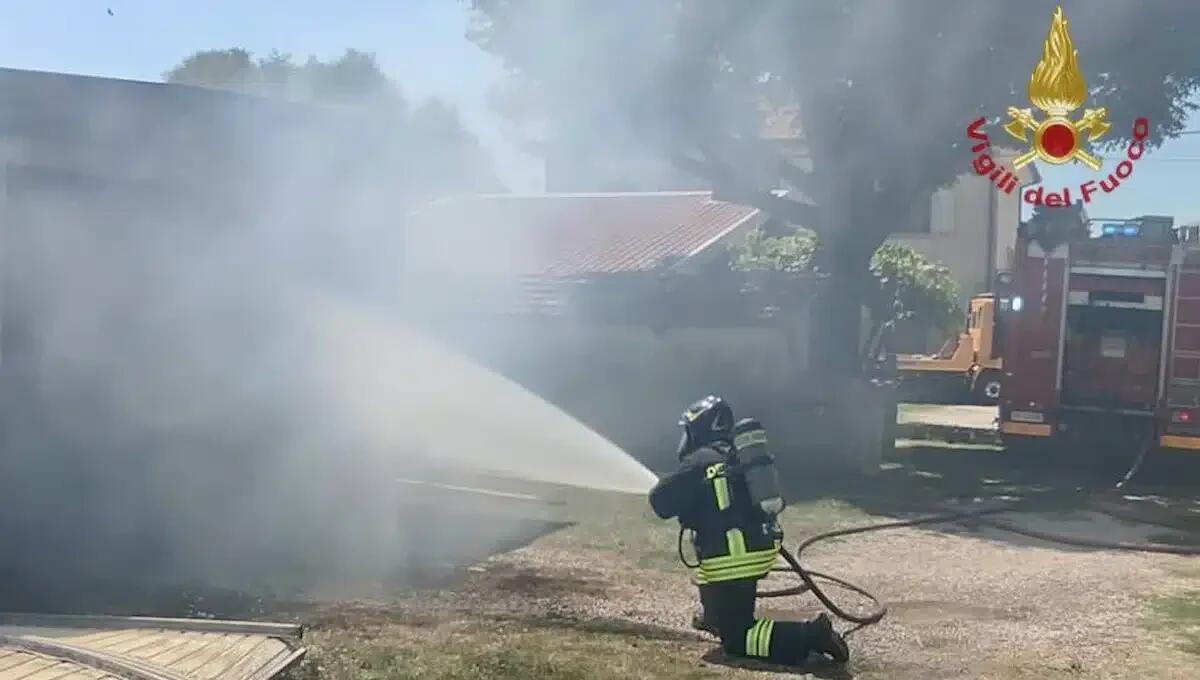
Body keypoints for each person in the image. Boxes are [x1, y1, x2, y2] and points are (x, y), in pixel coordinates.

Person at [649, 395, 850, 666]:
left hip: (733, 559)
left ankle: (812, 635)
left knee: (739, 639)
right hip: (755, 549)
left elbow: (660, 501)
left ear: (700, 428)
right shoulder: (737, 456)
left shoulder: (700, 461)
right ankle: (716, 617)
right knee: (713, 579)